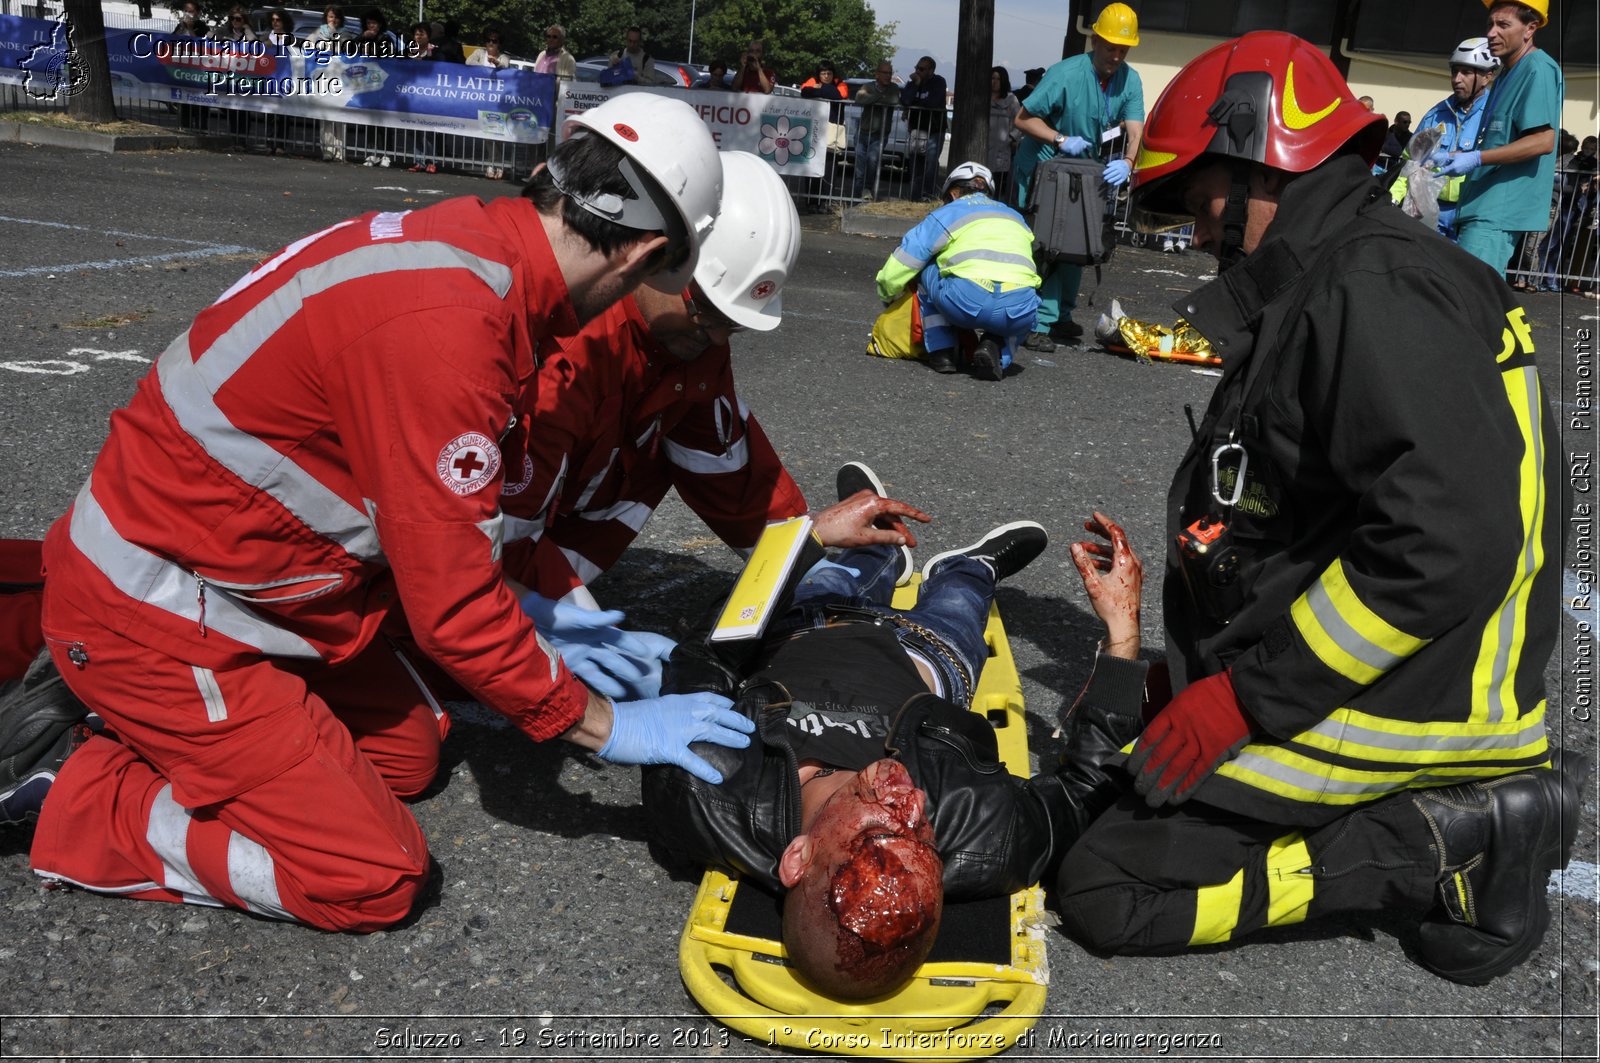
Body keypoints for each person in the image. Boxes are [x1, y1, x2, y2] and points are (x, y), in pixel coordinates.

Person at [0, 95, 748, 933]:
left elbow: (437, 520)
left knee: (408, 749)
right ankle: (77, 794)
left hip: (244, 575)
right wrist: (599, 724)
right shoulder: (453, 329)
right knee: (369, 875)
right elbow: (454, 607)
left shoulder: (472, 248)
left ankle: (148, 723)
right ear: (647, 251)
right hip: (162, 602)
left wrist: (537, 615)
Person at [1056, 31, 1583, 987]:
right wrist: (1202, 664)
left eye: (1198, 193)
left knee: (1108, 885)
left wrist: (1247, 697)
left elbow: (1445, 545)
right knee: (1107, 789)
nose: (1193, 222)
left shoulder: (1374, 288)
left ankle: (1449, 838)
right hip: (1380, 679)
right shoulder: (1336, 274)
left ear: (1262, 151)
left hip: (1425, 711)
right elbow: (1307, 515)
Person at [643, 485, 1145, 999]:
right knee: (963, 593)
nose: (910, 803)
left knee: (840, 571)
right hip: (928, 653)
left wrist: (809, 538)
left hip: (798, 630)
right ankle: (969, 566)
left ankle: (878, 549)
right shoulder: (983, 842)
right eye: (924, 838)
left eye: (882, 832)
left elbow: (704, 655)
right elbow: (1086, 788)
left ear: (797, 857)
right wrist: (1123, 632)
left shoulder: (705, 785)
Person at [505, 152, 927, 651]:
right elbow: (484, 543)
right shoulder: (570, 355)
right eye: (708, 312)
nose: (719, 339)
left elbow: (720, 461)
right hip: (484, 550)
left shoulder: (689, 334)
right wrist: (574, 654)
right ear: (657, 256)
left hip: (542, 536)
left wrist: (807, 539)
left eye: (737, 325)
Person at [1012, 2, 1144, 351]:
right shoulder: (1066, 74)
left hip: (1085, 175)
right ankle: (1032, 322)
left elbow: (1135, 127)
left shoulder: (1130, 79)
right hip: (1045, 169)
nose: (1116, 56)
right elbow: (1024, 120)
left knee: (1080, 242)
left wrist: (1129, 162)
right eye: (1110, 47)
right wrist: (1060, 139)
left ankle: (1060, 316)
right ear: (1095, 40)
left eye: (1123, 49)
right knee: (1047, 245)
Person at [874, 162, 1041, 380]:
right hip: (1017, 310)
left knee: (925, 266)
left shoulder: (948, 212)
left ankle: (941, 351)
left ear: (953, 193)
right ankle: (996, 348)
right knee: (1027, 295)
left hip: (965, 302)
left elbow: (906, 259)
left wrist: (887, 294)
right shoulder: (1015, 217)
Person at [1436, 0, 1564, 273]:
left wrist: (1476, 158)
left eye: (1503, 25)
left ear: (1530, 29)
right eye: (1490, 24)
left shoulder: (1538, 69)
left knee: (1472, 300)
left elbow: (1543, 141)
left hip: (1497, 212)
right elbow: (1501, 138)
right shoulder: (1508, 72)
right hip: (1482, 206)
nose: (1491, 33)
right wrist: (1459, 156)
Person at [1391, 37, 1498, 241]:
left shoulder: (1497, 116)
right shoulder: (1435, 114)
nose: (1457, 79)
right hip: (1432, 211)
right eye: (1454, 71)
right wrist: (1394, 196)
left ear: (1487, 76)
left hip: (1474, 215)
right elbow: (1410, 161)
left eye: (1466, 72)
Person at [799, 61, 849, 209]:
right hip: (814, 131)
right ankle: (811, 201)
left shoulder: (841, 84)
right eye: (823, 73)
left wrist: (821, 88)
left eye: (829, 73)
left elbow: (839, 95)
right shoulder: (812, 80)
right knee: (812, 165)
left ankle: (826, 201)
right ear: (818, 74)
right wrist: (823, 90)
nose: (826, 76)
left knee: (830, 167)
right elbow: (805, 91)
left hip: (832, 132)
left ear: (833, 74)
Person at [900, 56, 948, 200]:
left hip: (935, 129)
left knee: (931, 162)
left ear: (931, 70)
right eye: (916, 68)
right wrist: (916, 84)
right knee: (915, 163)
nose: (917, 71)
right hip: (917, 129)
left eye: (921, 69)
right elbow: (905, 101)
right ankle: (915, 196)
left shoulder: (939, 82)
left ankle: (928, 195)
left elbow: (933, 102)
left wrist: (917, 102)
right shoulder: (913, 82)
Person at [851, 61, 898, 200]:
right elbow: (859, 98)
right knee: (860, 166)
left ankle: (867, 190)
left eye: (890, 72)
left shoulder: (893, 87)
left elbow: (894, 99)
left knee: (872, 161)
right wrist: (880, 98)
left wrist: (871, 98)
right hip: (863, 132)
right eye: (885, 72)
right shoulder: (868, 85)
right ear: (877, 74)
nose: (888, 75)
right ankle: (855, 199)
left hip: (880, 134)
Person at [987, 66, 1021, 204]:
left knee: (999, 183)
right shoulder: (983, 98)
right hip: (985, 147)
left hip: (1002, 148)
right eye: (992, 78)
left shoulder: (1011, 100)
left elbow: (1020, 121)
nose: (994, 82)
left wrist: (1012, 137)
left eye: (998, 79)